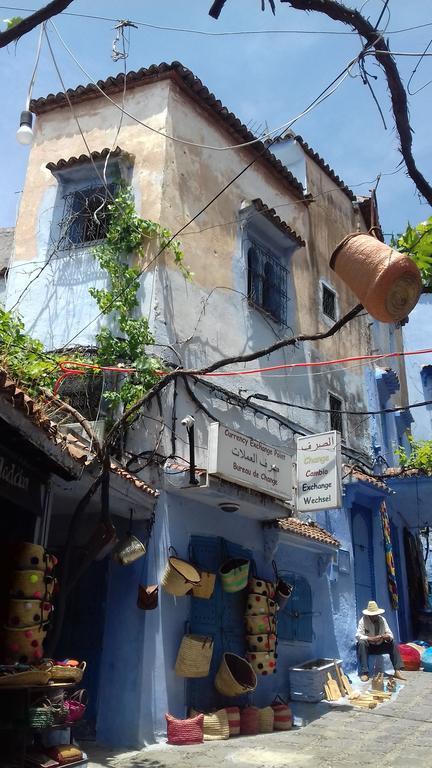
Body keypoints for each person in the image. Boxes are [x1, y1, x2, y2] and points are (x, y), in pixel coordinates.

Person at [356, 600, 405, 682]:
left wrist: (387, 637)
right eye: (372, 615)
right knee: (361, 643)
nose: (374, 616)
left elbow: (390, 634)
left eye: (376, 614)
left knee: (392, 642)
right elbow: (358, 635)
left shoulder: (382, 620)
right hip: (369, 647)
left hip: (380, 645)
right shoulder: (363, 620)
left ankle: (397, 670)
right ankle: (365, 673)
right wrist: (370, 638)